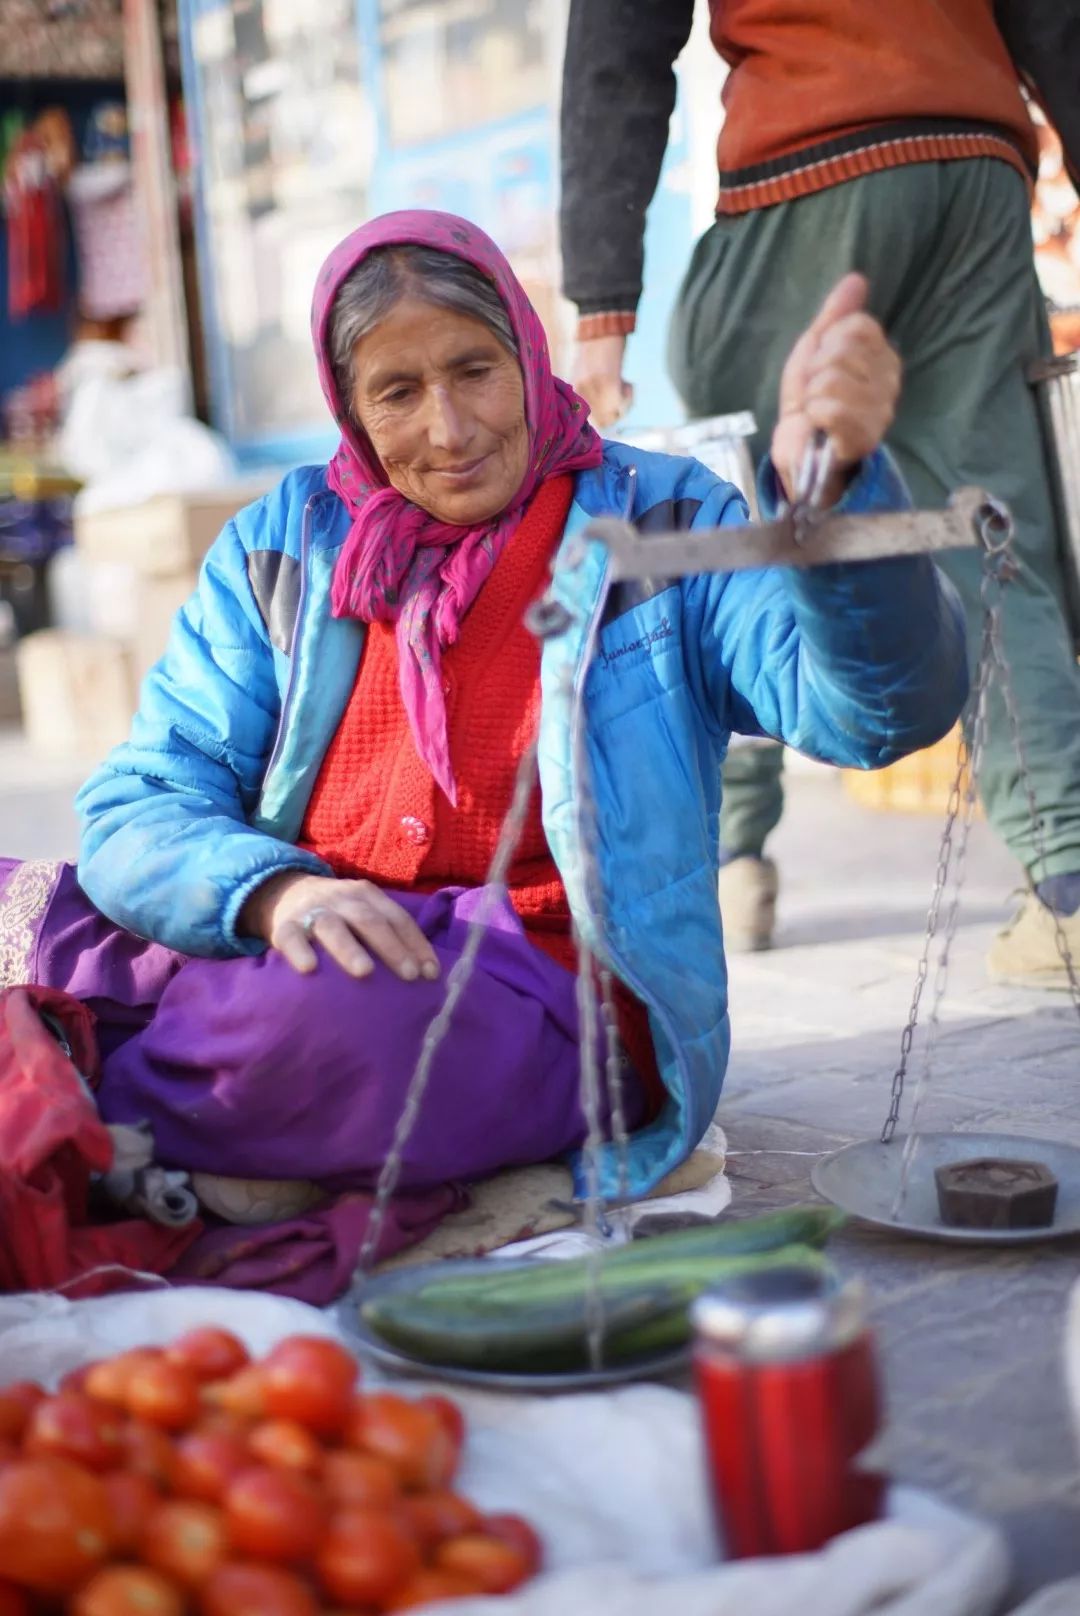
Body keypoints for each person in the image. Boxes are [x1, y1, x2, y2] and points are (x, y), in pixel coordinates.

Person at [0, 210, 965, 1261]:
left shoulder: (661, 520)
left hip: (545, 983)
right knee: (37, 902)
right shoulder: (283, 542)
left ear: (527, 351)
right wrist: (277, 891)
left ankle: (74, 1089)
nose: (450, 430)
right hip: (293, 922)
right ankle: (143, 1086)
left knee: (336, 1038)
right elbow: (142, 798)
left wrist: (835, 497)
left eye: (474, 369)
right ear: (351, 410)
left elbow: (874, 713)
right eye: (398, 393)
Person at [561, 0, 1080, 982]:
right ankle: (1068, 885)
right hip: (975, 159)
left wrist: (601, 300)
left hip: (807, 164)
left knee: (754, 523)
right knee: (993, 528)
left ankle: (734, 861)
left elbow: (617, 42)